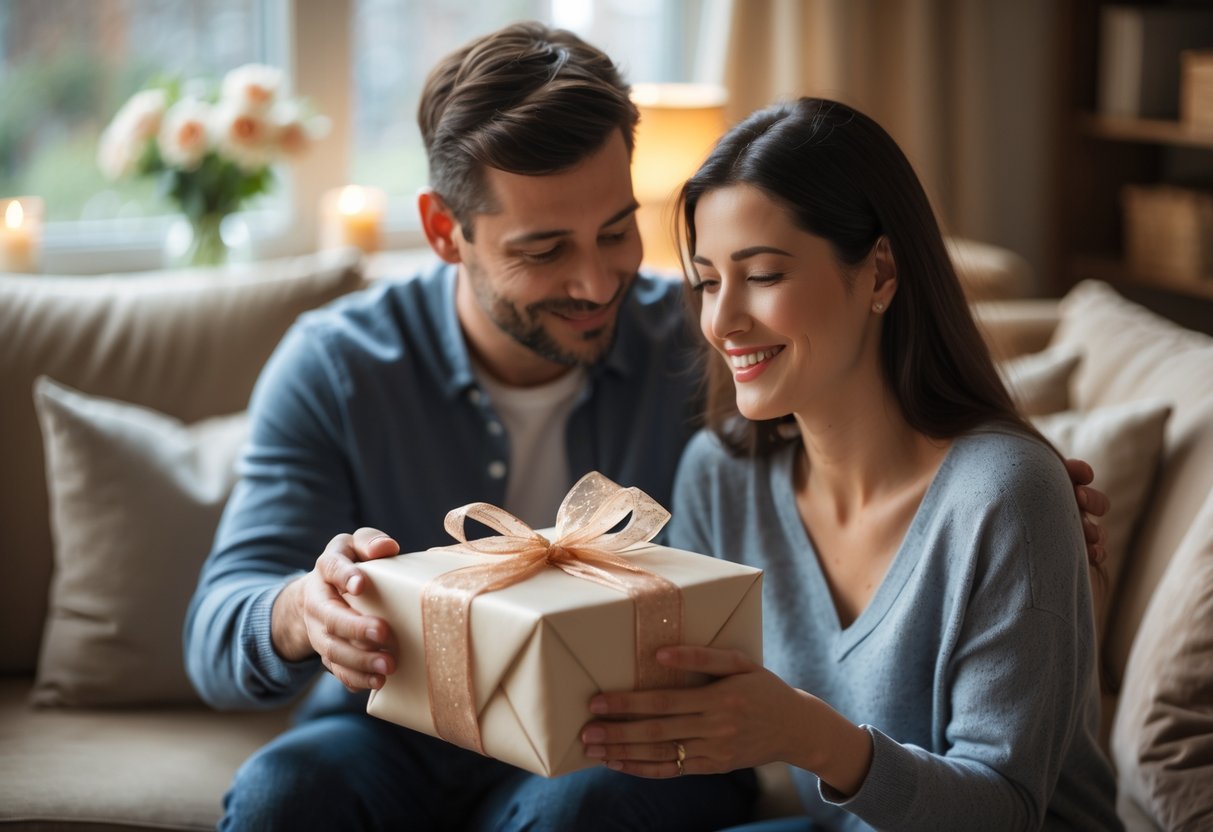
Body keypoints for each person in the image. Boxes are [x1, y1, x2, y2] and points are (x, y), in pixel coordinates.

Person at [185, 21, 1110, 830]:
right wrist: (304, 611)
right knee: (284, 795)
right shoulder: (338, 366)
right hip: (404, 730)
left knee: (586, 804)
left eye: (616, 231)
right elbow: (215, 628)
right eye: (544, 250)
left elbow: (886, 377)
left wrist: (1002, 493)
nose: (597, 286)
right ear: (443, 232)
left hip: (618, 741)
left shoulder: (705, 339)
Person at [577, 97, 1122, 831]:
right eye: (707, 281)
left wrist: (811, 737)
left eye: (762, 275)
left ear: (880, 273)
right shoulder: (718, 475)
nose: (722, 320)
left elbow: (1006, 809)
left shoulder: (1006, 496)